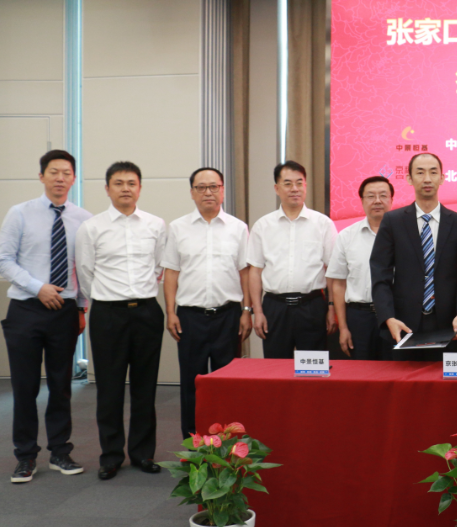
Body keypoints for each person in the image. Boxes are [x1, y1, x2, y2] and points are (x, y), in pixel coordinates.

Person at [0, 150, 91, 483]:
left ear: (74, 178)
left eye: (66, 173)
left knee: (61, 385)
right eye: (53, 172)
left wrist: (80, 308)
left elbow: (83, 269)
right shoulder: (19, 213)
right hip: (26, 308)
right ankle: (25, 456)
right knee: (24, 387)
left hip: (64, 310)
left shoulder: (84, 219)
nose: (60, 178)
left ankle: (60, 452)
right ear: (42, 176)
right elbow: (3, 260)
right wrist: (38, 288)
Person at [75, 161, 166, 480]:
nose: (125, 188)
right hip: (108, 314)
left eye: (131, 183)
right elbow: (85, 272)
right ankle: (111, 455)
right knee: (109, 388)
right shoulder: (91, 227)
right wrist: (106, 297)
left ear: (139, 188)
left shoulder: (156, 225)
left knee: (145, 387)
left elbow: (159, 267)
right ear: (107, 189)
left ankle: (142, 453)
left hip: (147, 312)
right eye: (118, 183)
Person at [162, 167, 251, 439]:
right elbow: (171, 272)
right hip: (190, 318)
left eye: (214, 186)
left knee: (228, 384)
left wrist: (247, 311)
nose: (208, 192)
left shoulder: (238, 228)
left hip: (228, 317)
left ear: (222, 190)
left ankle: (228, 444)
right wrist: (170, 312)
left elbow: (245, 272)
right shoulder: (178, 228)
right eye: (201, 187)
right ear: (192, 193)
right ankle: (193, 442)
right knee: (192, 384)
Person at [371, 153, 457, 360]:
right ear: (409, 178)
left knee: (443, 380)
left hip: (449, 324)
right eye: (420, 172)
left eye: (433, 172)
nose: (427, 179)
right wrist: (388, 317)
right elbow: (380, 274)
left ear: (442, 178)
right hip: (403, 324)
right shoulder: (393, 221)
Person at [247, 161, 337, 359]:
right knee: (276, 367)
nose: (294, 189)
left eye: (299, 183)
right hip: (275, 307)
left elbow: (332, 271)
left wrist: (332, 308)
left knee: (313, 367)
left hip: (312, 306)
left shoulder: (323, 224)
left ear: (305, 186)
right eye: (287, 183)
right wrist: (258, 312)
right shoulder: (263, 225)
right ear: (277, 188)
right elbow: (255, 271)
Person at [328, 176, 393, 361]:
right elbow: (338, 284)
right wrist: (343, 328)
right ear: (362, 201)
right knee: (361, 371)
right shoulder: (346, 236)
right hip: (359, 317)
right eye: (371, 196)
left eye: (383, 195)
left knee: (394, 371)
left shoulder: (405, 235)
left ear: (391, 200)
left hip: (394, 316)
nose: (377, 201)